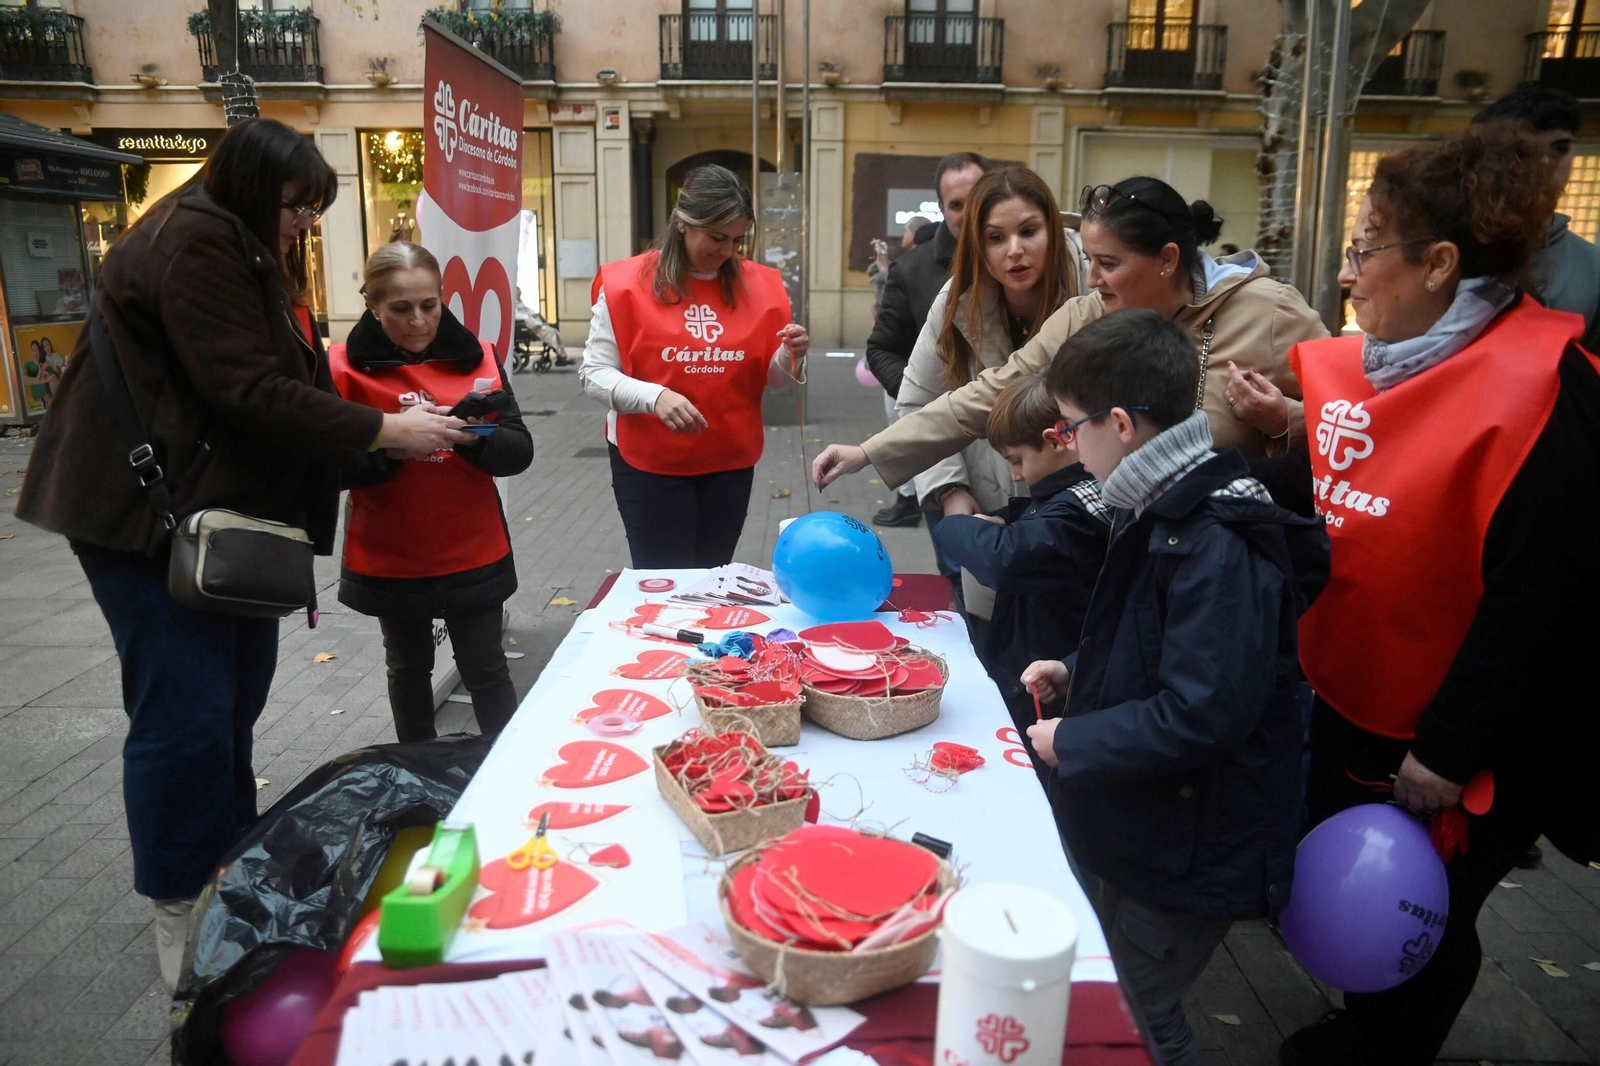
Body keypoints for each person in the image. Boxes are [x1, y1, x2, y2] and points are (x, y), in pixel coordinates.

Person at [14, 118, 468, 990]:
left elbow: (281, 383)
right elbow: (247, 389)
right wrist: (383, 426)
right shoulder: (197, 242)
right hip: (144, 518)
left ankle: (228, 873)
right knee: (185, 720)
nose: (305, 224)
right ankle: (182, 912)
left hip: (210, 513)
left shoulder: (236, 240)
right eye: (300, 208)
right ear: (260, 190)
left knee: (229, 709)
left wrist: (367, 445)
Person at [1236, 126, 1600, 1066]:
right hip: (1356, 693)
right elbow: (1322, 481)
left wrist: (1447, 747)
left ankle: (1386, 1044)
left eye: (1363, 249)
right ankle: (1366, 1018)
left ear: (1439, 263)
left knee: (1423, 904)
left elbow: (1540, 601)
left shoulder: (1550, 394)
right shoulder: (1384, 362)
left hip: (1469, 735)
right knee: (1354, 878)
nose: (1348, 277)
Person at [1020, 310, 1328, 1066]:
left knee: (1135, 1012)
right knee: (1111, 988)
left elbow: (1205, 709)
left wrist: (1077, 739)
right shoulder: (1164, 496)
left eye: (1067, 429)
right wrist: (1077, 669)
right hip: (1156, 825)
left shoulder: (1214, 535)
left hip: (1199, 843)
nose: (1065, 445)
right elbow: (1159, 647)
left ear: (1119, 423)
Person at [814, 175, 1327, 495]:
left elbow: (1365, 428)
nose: (1092, 278)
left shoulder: (1270, 311)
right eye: (1090, 261)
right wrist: (872, 451)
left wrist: (1287, 420)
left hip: (1224, 571)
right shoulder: (1087, 315)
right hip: (1115, 566)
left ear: (1168, 259)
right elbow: (994, 389)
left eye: (1107, 263)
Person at [329, 242, 533, 744]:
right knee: (407, 670)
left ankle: (506, 776)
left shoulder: (478, 358)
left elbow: (519, 449)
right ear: (373, 306)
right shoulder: (341, 369)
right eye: (400, 308)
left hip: (471, 545)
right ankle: (416, 777)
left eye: (429, 305)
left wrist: (466, 438)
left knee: (487, 669)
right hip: (391, 552)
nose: (418, 321)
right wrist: (392, 447)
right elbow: (323, 464)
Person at [580, 164, 808, 569]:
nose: (727, 252)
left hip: (729, 459)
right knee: (665, 582)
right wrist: (655, 397)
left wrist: (792, 355)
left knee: (712, 577)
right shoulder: (626, 285)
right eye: (717, 238)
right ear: (684, 223)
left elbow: (770, 380)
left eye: (738, 240)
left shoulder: (762, 287)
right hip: (649, 463)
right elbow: (594, 373)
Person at [897, 165, 1080, 644]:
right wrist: (950, 492)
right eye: (996, 238)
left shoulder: (1093, 290)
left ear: (1053, 231)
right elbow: (918, 399)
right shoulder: (958, 300)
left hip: (1083, 515)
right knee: (998, 650)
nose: (1014, 251)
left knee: (1075, 652)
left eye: (1029, 231)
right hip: (990, 505)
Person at [929, 372, 1108, 782]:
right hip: (1042, 669)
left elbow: (1005, 557)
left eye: (1017, 460)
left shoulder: (1076, 514)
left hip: (1049, 682)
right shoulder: (1064, 502)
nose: (1014, 474)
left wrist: (956, 524)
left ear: (1056, 439)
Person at [868, 151, 990, 530]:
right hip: (944, 447)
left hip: (1018, 445)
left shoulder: (1028, 260)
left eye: (978, 200)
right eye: (956, 205)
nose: (969, 214)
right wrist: (918, 395)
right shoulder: (913, 269)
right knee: (956, 575)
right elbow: (881, 348)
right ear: (942, 208)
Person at [1472, 82, 1599, 353]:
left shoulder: (1594, 269)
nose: (1543, 163)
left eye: (1560, 149)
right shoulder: (1446, 248)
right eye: (1522, 151)